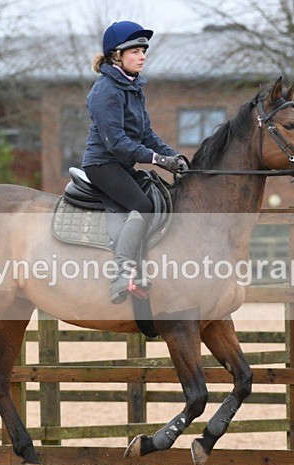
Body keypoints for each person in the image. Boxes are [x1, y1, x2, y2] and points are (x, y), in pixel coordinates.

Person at [82, 20, 189, 304]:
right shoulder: (105, 91)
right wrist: (157, 160)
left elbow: (146, 134)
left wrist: (173, 156)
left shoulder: (133, 87)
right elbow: (116, 143)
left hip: (122, 164)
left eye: (143, 50)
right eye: (134, 51)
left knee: (159, 196)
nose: (142, 55)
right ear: (116, 55)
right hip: (102, 165)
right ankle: (122, 275)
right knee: (142, 205)